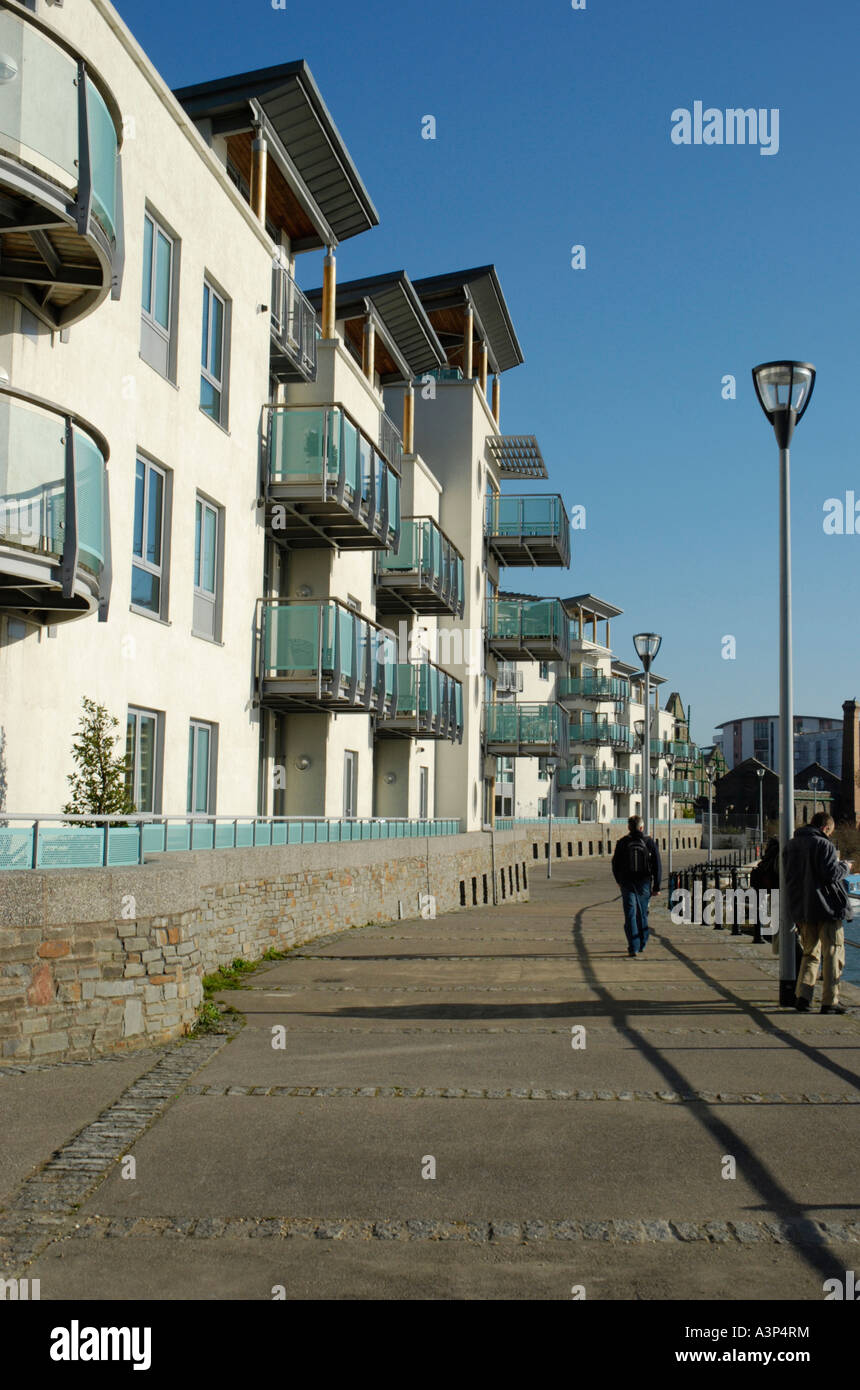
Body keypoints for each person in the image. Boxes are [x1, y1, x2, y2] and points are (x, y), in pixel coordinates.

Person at [783, 812, 853, 1014]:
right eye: (830, 831)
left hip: (802, 908)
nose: (830, 835)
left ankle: (803, 997)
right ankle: (830, 1001)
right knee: (832, 953)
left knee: (809, 953)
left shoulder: (791, 845)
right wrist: (845, 867)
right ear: (825, 828)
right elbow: (831, 874)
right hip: (827, 908)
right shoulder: (824, 845)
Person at [611, 814, 662, 958]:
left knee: (630, 914)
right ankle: (642, 942)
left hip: (627, 883)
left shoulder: (622, 842)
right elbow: (657, 864)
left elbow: (615, 864)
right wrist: (657, 887)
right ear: (642, 827)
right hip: (644, 882)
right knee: (642, 913)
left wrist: (619, 881)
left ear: (628, 827)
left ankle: (633, 946)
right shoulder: (648, 842)